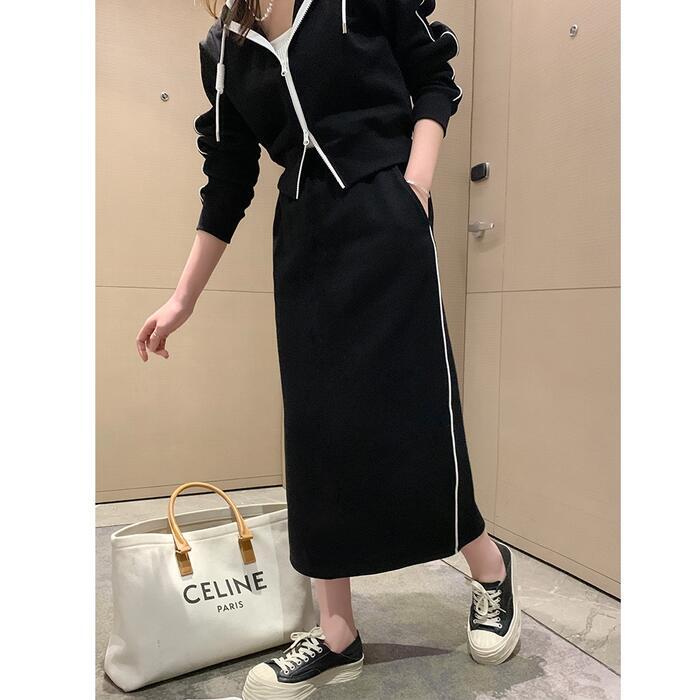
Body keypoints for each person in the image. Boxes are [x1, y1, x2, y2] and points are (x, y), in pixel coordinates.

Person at [135, 1, 521, 697]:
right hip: (305, 244)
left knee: (414, 415)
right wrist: (182, 297)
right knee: (319, 436)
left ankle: (489, 569)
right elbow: (229, 177)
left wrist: (415, 186)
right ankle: (337, 632)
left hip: (387, 221)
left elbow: (432, 76)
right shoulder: (223, 49)